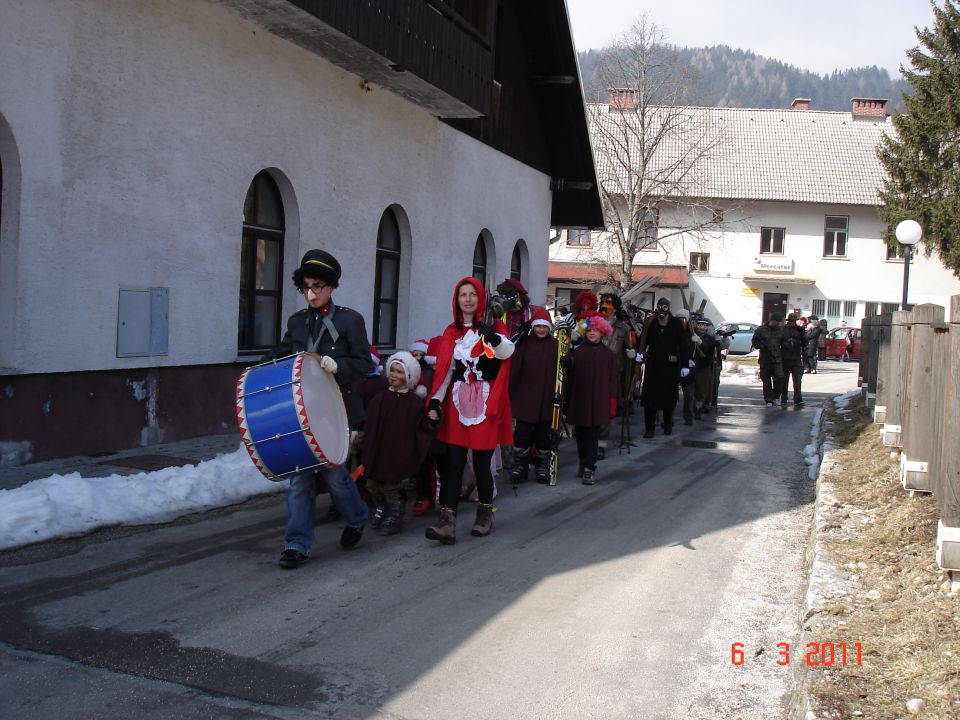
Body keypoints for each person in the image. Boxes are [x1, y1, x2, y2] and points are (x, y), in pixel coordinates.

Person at [265, 249, 374, 569]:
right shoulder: (297, 322)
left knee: (337, 476)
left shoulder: (349, 319)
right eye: (306, 287)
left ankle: (356, 517)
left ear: (330, 287)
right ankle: (296, 543)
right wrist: (255, 374)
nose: (310, 294)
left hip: (337, 409)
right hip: (303, 411)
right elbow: (282, 355)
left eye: (317, 287)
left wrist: (337, 365)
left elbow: (364, 363)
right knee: (300, 478)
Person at [425, 277, 515, 544]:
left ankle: (485, 513)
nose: (467, 299)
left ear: (480, 298)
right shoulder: (451, 332)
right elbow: (446, 371)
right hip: (457, 404)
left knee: (481, 465)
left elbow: (506, 353)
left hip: (484, 405)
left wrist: (490, 334)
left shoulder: (495, 328)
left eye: (472, 294)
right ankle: (447, 521)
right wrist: (434, 402)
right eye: (463, 294)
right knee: (452, 464)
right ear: (457, 300)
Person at [362, 352, 437, 536]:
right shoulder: (380, 398)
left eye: (400, 372)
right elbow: (370, 422)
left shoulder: (413, 403)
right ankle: (381, 507)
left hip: (397, 450)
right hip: (378, 448)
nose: (394, 375)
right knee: (372, 482)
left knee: (391, 485)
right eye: (392, 370)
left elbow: (420, 427)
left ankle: (395, 513)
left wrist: (430, 420)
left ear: (409, 376)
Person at [563, 312, 618, 484]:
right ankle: (583, 462)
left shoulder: (609, 355)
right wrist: (568, 362)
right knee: (580, 436)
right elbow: (570, 376)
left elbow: (613, 381)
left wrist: (612, 402)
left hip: (598, 401)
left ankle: (589, 468)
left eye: (595, 330)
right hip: (581, 400)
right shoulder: (578, 352)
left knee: (593, 436)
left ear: (602, 332)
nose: (592, 333)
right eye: (589, 330)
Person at [508, 306, 558, 484]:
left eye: (544, 327)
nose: (541, 330)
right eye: (538, 327)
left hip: (546, 398)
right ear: (533, 327)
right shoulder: (525, 344)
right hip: (526, 396)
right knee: (522, 434)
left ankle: (542, 466)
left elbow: (562, 371)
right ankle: (521, 465)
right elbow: (514, 367)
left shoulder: (555, 346)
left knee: (544, 436)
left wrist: (568, 362)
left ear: (548, 328)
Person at [636, 297, 690, 438]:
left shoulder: (675, 324)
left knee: (669, 398)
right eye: (660, 307)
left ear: (668, 308)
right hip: (653, 366)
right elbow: (643, 339)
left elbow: (682, 345)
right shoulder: (651, 323)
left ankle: (667, 424)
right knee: (650, 400)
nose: (662, 310)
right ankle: (650, 428)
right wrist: (639, 354)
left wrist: (685, 365)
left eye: (664, 307)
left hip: (669, 367)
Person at [597, 293, 635, 454]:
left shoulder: (624, 328)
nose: (605, 305)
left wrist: (631, 353)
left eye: (609, 302)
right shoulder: (593, 323)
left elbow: (629, 348)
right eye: (603, 302)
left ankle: (601, 444)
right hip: (593, 371)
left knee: (606, 411)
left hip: (613, 375)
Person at [752, 313, 785, 407]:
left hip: (777, 359)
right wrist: (761, 346)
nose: (778, 324)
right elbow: (754, 342)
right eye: (776, 322)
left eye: (779, 322)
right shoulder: (761, 330)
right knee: (766, 381)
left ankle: (776, 396)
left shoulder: (780, 330)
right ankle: (768, 400)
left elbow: (784, 342)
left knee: (779, 378)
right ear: (772, 320)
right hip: (765, 359)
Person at [691, 317, 719, 417]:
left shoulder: (709, 338)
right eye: (699, 325)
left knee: (701, 389)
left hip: (704, 366)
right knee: (691, 388)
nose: (701, 327)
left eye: (704, 325)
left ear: (707, 327)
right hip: (692, 365)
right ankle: (691, 408)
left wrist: (700, 342)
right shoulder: (691, 335)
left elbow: (708, 347)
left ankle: (698, 408)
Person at [674, 308, 697, 426]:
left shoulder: (692, 334)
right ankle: (669, 418)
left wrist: (697, 343)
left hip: (688, 366)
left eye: (683, 319)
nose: (680, 321)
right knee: (671, 393)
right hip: (673, 365)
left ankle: (688, 416)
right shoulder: (671, 333)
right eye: (678, 319)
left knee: (689, 394)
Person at [779, 313, 806, 407]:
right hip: (785, 358)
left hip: (796, 358)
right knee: (784, 381)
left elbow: (805, 343)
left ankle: (798, 399)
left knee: (797, 381)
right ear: (788, 321)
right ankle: (784, 399)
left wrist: (803, 334)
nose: (792, 323)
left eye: (793, 321)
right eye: (790, 321)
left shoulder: (799, 330)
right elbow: (778, 342)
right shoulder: (782, 330)